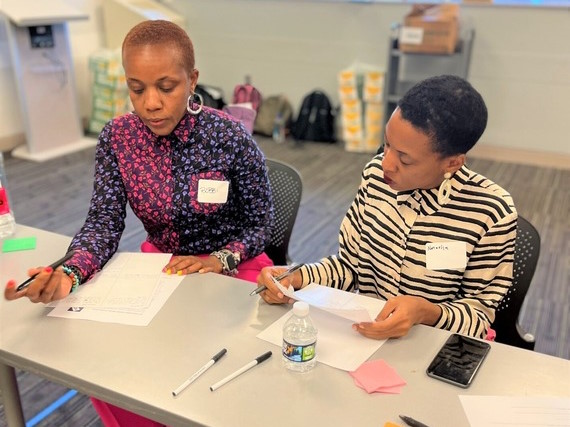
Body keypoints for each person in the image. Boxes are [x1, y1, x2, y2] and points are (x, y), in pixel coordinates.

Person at [5, 20, 274, 426]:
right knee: (115, 370)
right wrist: (70, 273)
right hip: (161, 268)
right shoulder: (118, 138)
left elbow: (261, 223)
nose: (150, 103)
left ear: (192, 80)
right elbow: (103, 222)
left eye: (166, 87)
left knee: (225, 379)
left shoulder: (228, 137)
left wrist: (221, 258)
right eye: (137, 88)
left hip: (233, 269)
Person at [256, 75, 517, 341]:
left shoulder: (489, 212)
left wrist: (427, 313)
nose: (386, 164)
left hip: (432, 346)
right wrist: (297, 277)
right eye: (387, 144)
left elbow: (478, 315)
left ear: (452, 164)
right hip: (368, 339)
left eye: (404, 159)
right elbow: (350, 267)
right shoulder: (375, 178)